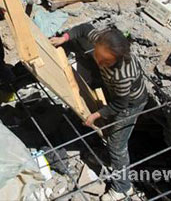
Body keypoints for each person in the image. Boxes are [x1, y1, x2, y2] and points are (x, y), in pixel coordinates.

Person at [51, 23, 148, 201]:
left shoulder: (122, 74)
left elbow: (120, 104)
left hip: (131, 104)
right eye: (97, 56)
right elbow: (84, 29)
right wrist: (64, 38)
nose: (99, 62)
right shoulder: (102, 42)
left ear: (118, 59)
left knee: (117, 145)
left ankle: (123, 188)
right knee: (110, 131)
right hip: (117, 96)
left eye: (106, 61)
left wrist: (95, 115)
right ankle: (108, 158)